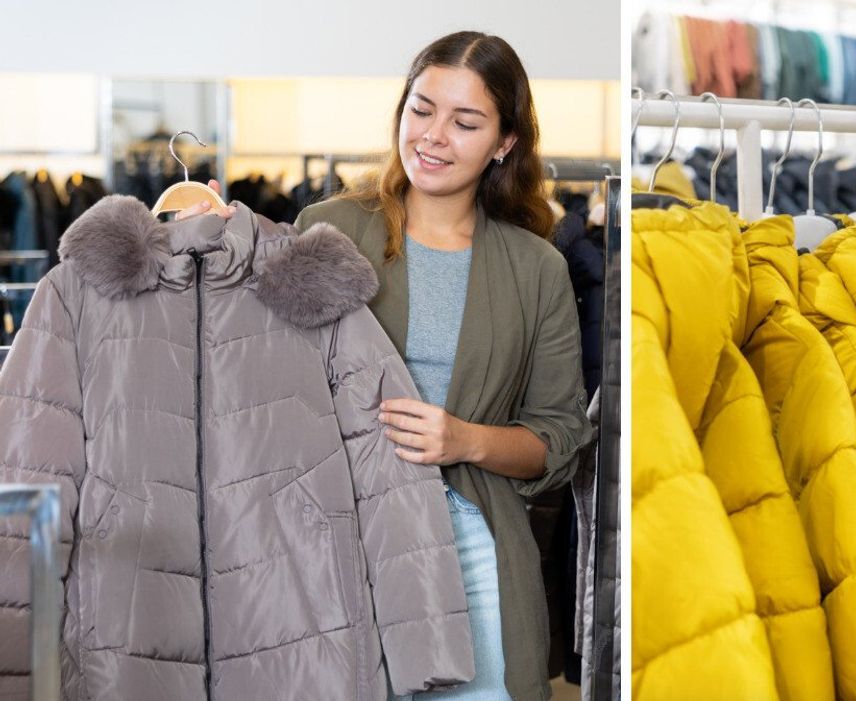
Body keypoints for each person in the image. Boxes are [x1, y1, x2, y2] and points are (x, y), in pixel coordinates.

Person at [180, 30, 591, 701]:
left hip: (471, 544)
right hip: (336, 536)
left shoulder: (535, 267)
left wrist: (464, 438)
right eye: (421, 109)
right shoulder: (331, 227)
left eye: (465, 122)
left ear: (505, 142)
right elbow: (261, 393)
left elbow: (560, 439)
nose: (433, 136)